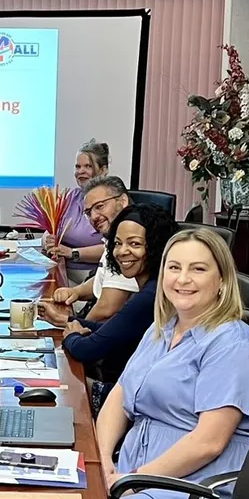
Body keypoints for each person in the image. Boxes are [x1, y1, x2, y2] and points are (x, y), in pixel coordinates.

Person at [95, 228, 249, 499]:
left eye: (198, 269)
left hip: (191, 489)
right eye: (173, 268)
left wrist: (133, 482)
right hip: (136, 472)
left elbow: (209, 442)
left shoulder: (233, 345)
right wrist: (103, 459)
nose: (183, 279)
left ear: (222, 280)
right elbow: (120, 393)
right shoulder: (162, 327)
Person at [62, 204, 176, 398]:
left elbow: (88, 350)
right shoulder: (153, 286)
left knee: (66, 388)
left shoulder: (151, 296)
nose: (122, 251)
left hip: (126, 400)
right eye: (117, 243)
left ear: (156, 246)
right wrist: (66, 321)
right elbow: (115, 331)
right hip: (127, 390)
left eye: (134, 244)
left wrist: (71, 337)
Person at [40, 176, 137, 326]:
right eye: (88, 212)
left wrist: (73, 325)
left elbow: (107, 307)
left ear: (123, 201)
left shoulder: (130, 240)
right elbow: (105, 277)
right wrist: (77, 292)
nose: (94, 217)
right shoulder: (113, 238)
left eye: (99, 207)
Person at [44, 139, 113, 284]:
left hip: (93, 278)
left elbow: (114, 247)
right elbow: (50, 231)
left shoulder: (112, 203)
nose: (80, 171)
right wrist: (47, 240)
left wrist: (71, 253)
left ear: (103, 169)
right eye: (77, 166)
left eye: (88, 166)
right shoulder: (70, 197)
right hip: (61, 271)